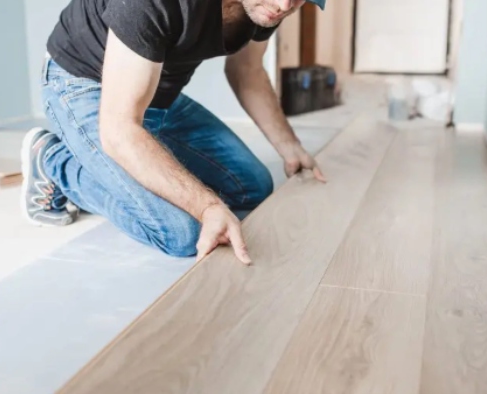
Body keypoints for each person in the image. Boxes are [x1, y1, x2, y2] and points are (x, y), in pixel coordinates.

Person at [21, 0, 327, 265]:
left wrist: (290, 146)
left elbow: (246, 71)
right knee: (180, 232)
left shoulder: (267, 7)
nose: (285, 6)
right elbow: (120, 129)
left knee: (253, 186)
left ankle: (137, 152)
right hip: (86, 85)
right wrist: (206, 206)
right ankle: (52, 159)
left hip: (155, 91)